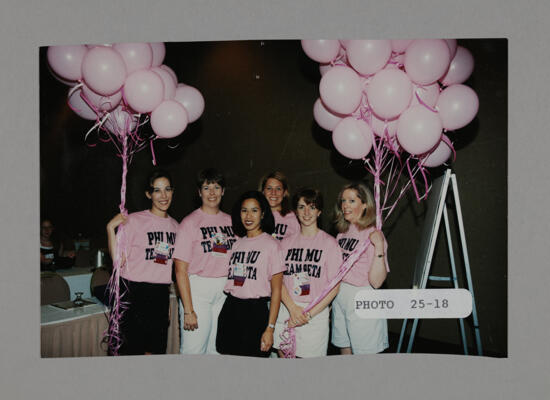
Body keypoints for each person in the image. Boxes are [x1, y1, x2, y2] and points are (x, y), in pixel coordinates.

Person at [106, 169, 178, 355]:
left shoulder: (177, 227)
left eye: (167, 189)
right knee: (131, 353)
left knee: (154, 353)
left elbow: (169, 270)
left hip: (160, 296)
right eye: (157, 190)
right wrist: (110, 228)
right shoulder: (134, 220)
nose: (163, 195)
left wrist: (167, 300)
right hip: (133, 294)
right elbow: (117, 262)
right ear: (149, 194)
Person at [273, 188, 343, 358]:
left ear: (319, 211)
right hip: (287, 308)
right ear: (295, 211)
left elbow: (334, 287)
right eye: (301, 207)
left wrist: (308, 314)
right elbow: (277, 279)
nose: (306, 212)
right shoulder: (285, 243)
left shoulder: (330, 244)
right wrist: (292, 308)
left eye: (312, 207)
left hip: (314, 314)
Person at [173, 168, 236, 354]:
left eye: (216, 187)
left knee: (217, 350)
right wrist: (188, 309)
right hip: (197, 290)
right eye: (207, 187)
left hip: (224, 290)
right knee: (194, 350)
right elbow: (180, 270)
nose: (212, 193)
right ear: (199, 192)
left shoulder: (232, 222)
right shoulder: (189, 223)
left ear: (223, 191)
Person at [216, 191, 285, 357]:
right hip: (231, 309)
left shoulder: (272, 245)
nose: (248, 215)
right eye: (244, 210)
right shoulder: (237, 244)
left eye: (254, 210)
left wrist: (270, 328)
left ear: (262, 214)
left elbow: (277, 291)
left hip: (255, 312)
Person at [331, 182, 390, 355]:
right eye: (343, 201)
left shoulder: (372, 233)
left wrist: (379, 246)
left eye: (351, 201)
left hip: (362, 296)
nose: (345, 205)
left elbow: (377, 282)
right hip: (341, 296)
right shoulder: (342, 233)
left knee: (365, 355)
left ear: (365, 204)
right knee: (345, 347)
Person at [259, 171, 299, 241]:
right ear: (263, 192)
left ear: (285, 193)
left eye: (278, 189)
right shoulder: (255, 217)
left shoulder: (294, 219)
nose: (273, 193)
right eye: (269, 188)